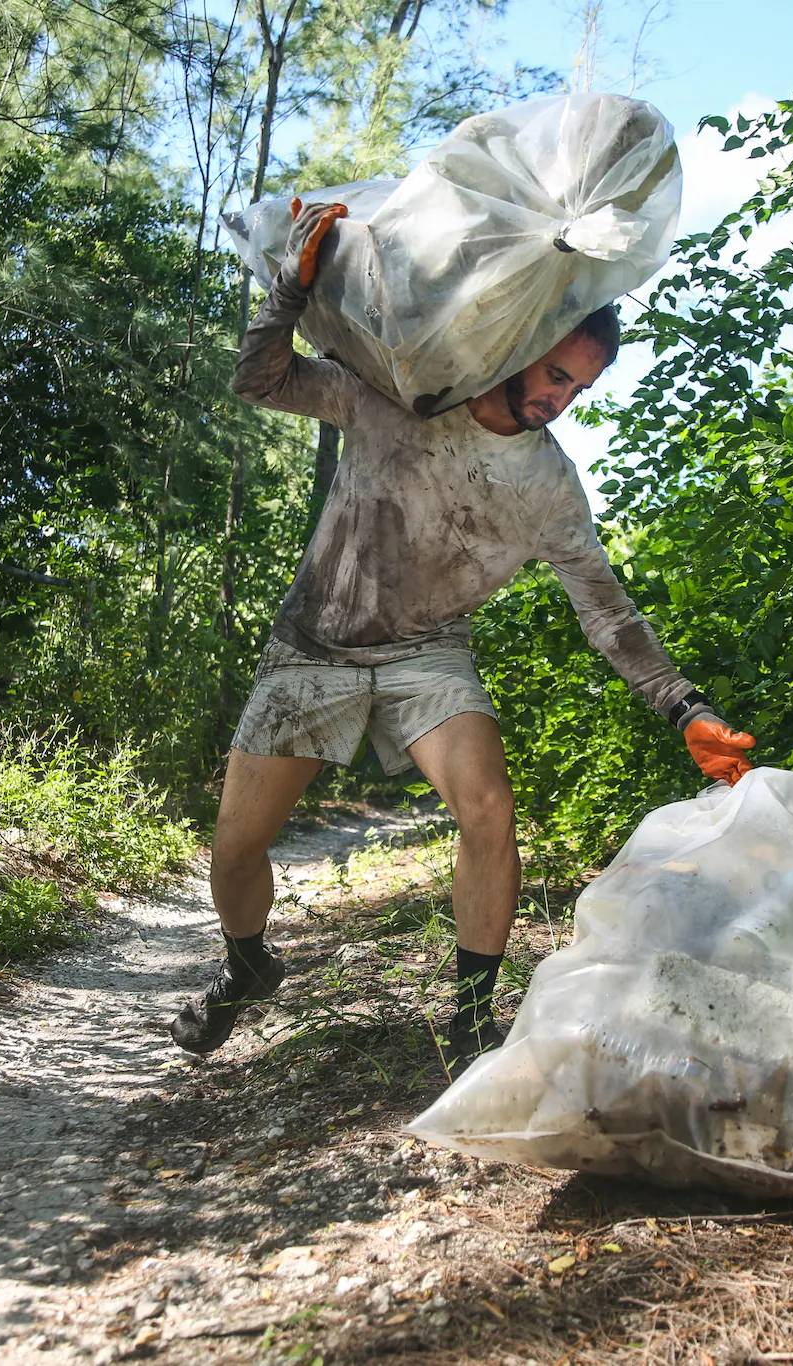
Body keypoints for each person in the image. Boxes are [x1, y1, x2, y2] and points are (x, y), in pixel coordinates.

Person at [170, 201, 755, 1069]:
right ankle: (247, 964)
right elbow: (260, 380)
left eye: (578, 390)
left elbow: (607, 609)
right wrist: (288, 293)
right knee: (235, 847)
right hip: (314, 646)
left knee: (488, 810)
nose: (559, 399)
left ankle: (472, 1016)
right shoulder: (398, 398)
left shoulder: (550, 488)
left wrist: (684, 708)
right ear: (518, 345)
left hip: (428, 655)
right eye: (556, 374)